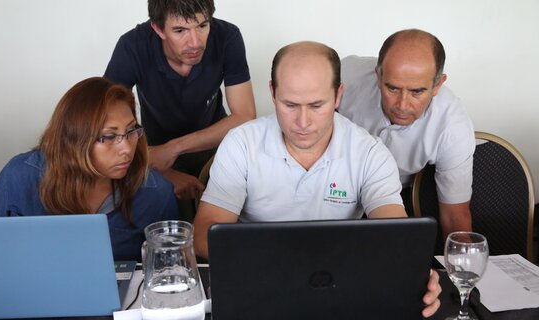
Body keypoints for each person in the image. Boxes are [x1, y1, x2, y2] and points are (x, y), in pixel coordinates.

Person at [193, 41, 440, 317]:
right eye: (290, 105)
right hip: (257, 285)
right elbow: (204, 237)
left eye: (316, 105)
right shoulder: (241, 143)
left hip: (338, 289)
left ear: (338, 96)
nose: (303, 122)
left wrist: (414, 269)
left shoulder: (369, 152)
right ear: (272, 93)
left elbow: (397, 236)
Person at [0, 77, 179, 261]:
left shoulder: (156, 193)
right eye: (109, 137)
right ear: (73, 140)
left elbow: (170, 272)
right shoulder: (19, 177)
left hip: (121, 298)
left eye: (131, 131)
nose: (127, 149)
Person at [104, 0, 256, 220]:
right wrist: (161, 169)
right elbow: (106, 124)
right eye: (180, 30)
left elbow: (245, 116)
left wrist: (175, 148)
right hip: (153, 150)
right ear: (157, 29)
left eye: (202, 26)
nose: (195, 42)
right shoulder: (133, 45)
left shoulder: (227, 36)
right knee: (167, 219)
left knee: (226, 221)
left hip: (215, 143)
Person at [338, 29, 475, 239]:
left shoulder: (453, 127)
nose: (402, 105)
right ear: (378, 75)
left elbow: (455, 215)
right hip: (335, 187)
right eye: (392, 88)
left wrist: (462, 268)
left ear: (437, 85)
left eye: (417, 92)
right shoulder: (346, 75)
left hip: (398, 199)